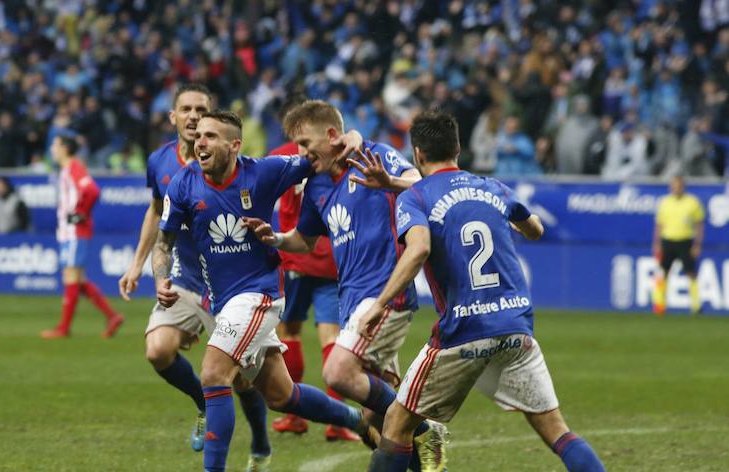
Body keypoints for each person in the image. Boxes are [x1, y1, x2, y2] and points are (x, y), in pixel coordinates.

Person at [360, 110, 605, 472]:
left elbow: (419, 248)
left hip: (464, 332)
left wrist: (380, 304)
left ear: (417, 154)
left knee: (396, 422)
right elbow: (535, 228)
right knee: (557, 429)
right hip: (515, 327)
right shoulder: (493, 187)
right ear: (458, 148)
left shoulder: (415, 199)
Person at [155, 111, 368, 472]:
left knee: (212, 374)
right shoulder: (182, 184)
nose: (199, 142)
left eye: (210, 136)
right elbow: (164, 242)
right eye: (198, 136)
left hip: (260, 293)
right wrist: (161, 278)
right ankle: (358, 421)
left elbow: (322, 156)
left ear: (234, 145)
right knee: (282, 396)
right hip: (223, 301)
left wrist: (356, 138)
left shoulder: (264, 172)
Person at [243, 100, 445, 470]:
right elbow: (304, 240)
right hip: (351, 300)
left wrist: (390, 183)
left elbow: (422, 186)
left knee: (337, 372)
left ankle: (425, 428)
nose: (302, 153)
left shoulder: (374, 155)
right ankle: (416, 446)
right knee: (379, 422)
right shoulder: (317, 184)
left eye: (305, 143)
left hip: (385, 295)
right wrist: (273, 237)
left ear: (333, 135)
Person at [118, 84, 274, 470]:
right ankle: (203, 405)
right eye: (185, 109)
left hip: (229, 288)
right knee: (157, 350)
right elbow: (156, 213)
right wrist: (138, 264)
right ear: (173, 117)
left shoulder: (230, 162)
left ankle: (260, 441)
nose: (191, 116)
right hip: (185, 279)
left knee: (240, 381)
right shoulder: (160, 162)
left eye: (199, 109)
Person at [268, 139, 359, 442]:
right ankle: (337, 420)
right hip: (331, 257)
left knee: (290, 333)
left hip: (296, 254)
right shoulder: (335, 151)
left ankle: (294, 416)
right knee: (332, 336)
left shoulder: (282, 154)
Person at [41, 134, 124, 339]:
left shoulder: (75, 167)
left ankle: (64, 328)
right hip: (69, 232)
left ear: (64, 148)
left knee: (71, 277)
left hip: (75, 231)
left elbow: (93, 191)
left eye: (55, 144)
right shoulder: (67, 170)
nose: (52, 148)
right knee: (77, 280)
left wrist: (82, 213)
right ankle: (112, 316)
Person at [652, 175, 705, 315]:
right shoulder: (665, 202)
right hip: (668, 241)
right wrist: (657, 243)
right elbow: (659, 224)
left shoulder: (692, 202)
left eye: (679, 186)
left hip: (685, 241)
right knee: (663, 272)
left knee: (691, 273)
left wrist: (697, 244)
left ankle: (696, 306)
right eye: (674, 186)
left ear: (683, 187)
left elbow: (699, 224)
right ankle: (659, 305)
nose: (676, 188)